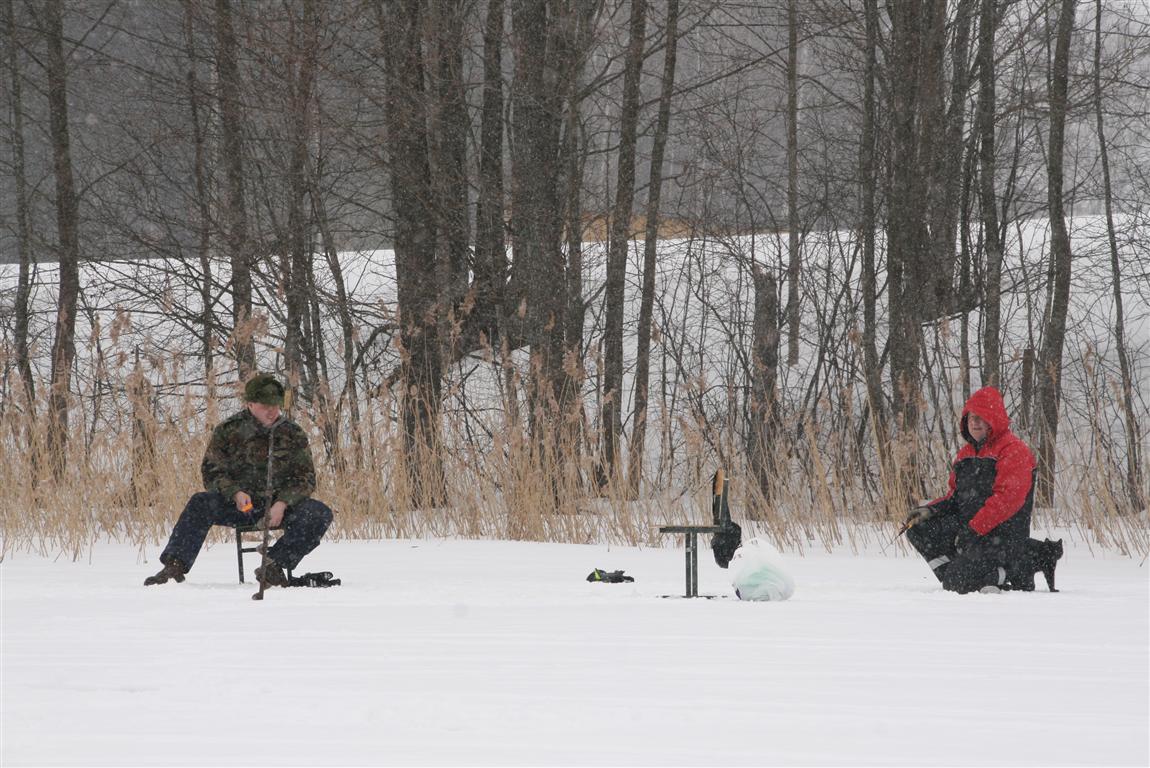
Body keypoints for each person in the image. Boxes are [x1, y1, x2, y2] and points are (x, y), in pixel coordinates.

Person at [145, 373, 333, 587]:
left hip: (280, 509)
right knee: (200, 503)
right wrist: (234, 492)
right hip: (241, 506)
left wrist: (282, 503)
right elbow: (212, 471)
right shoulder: (228, 431)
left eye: (276, 406)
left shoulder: (292, 433)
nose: (272, 411)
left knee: (319, 513)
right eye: (265, 406)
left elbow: (305, 478)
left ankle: (274, 564)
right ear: (250, 404)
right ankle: (175, 565)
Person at [904, 385, 1063, 594]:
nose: (974, 422)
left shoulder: (1013, 450)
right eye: (970, 418)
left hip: (1003, 535)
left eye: (981, 418)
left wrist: (974, 529)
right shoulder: (965, 455)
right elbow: (955, 496)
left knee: (957, 582)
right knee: (919, 528)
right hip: (971, 530)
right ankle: (970, 574)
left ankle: (1010, 571)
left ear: (993, 420)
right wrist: (931, 510)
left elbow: (1007, 500)